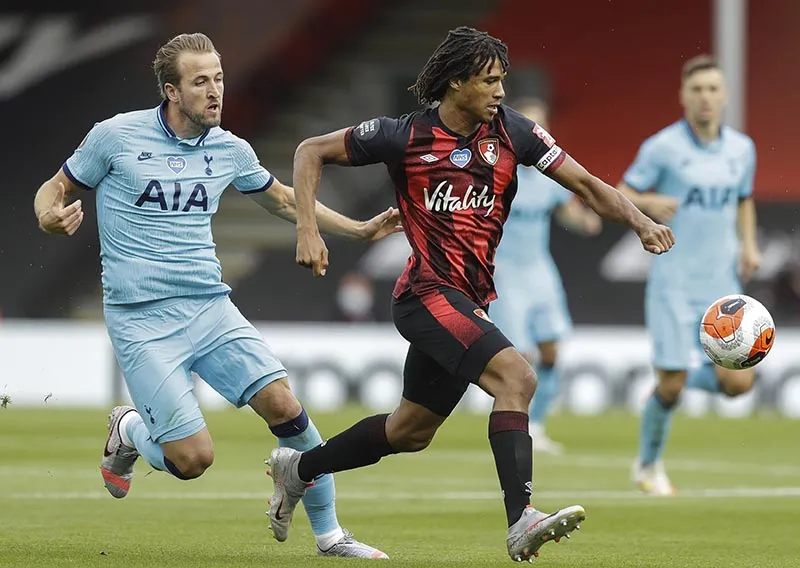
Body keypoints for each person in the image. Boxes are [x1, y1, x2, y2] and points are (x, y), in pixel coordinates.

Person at [269, 27, 674, 562]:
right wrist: (307, 229)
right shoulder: (402, 135)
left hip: (468, 299)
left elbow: (586, 185)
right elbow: (308, 151)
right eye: (489, 81)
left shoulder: (516, 133)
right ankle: (521, 520)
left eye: (502, 80)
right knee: (518, 377)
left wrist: (640, 221)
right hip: (426, 294)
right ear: (456, 83)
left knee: (410, 431)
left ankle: (299, 469)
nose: (500, 91)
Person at [32, 32, 398, 559]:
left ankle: (330, 536)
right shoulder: (115, 137)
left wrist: (358, 230)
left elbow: (285, 201)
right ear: (171, 91)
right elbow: (56, 187)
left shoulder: (229, 148)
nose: (215, 91)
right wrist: (49, 216)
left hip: (208, 306)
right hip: (142, 319)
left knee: (287, 408)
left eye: (219, 79)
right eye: (200, 81)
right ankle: (129, 428)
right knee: (192, 460)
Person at [616, 55, 761, 496]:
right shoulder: (662, 147)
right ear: (683, 95)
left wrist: (749, 245)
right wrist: (649, 203)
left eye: (713, 89)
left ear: (725, 96)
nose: (705, 98)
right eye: (697, 89)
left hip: (721, 288)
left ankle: (663, 388)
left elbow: (743, 199)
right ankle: (648, 466)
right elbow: (622, 193)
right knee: (675, 385)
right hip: (673, 285)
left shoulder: (742, 149)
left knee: (739, 382)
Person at [490, 97, 601, 455]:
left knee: (551, 349)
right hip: (505, 271)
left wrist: (585, 221)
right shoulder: (495, 171)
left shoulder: (547, 175)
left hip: (539, 269)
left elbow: (568, 210)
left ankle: (536, 424)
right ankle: (519, 428)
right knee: (521, 359)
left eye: (542, 124)